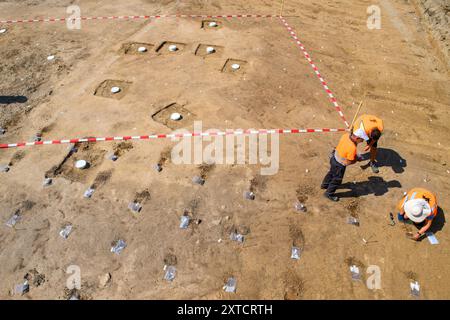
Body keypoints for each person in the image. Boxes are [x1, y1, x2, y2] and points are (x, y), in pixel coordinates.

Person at [321, 130, 365, 202]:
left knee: (331, 173)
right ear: (357, 138)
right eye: (362, 139)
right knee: (337, 180)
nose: (362, 141)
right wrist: (357, 159)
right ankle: (328, 193)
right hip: (339, 165)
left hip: (334, 158)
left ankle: (324, 185)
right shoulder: (352, 148)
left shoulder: (346, 136)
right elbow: (348, 162)